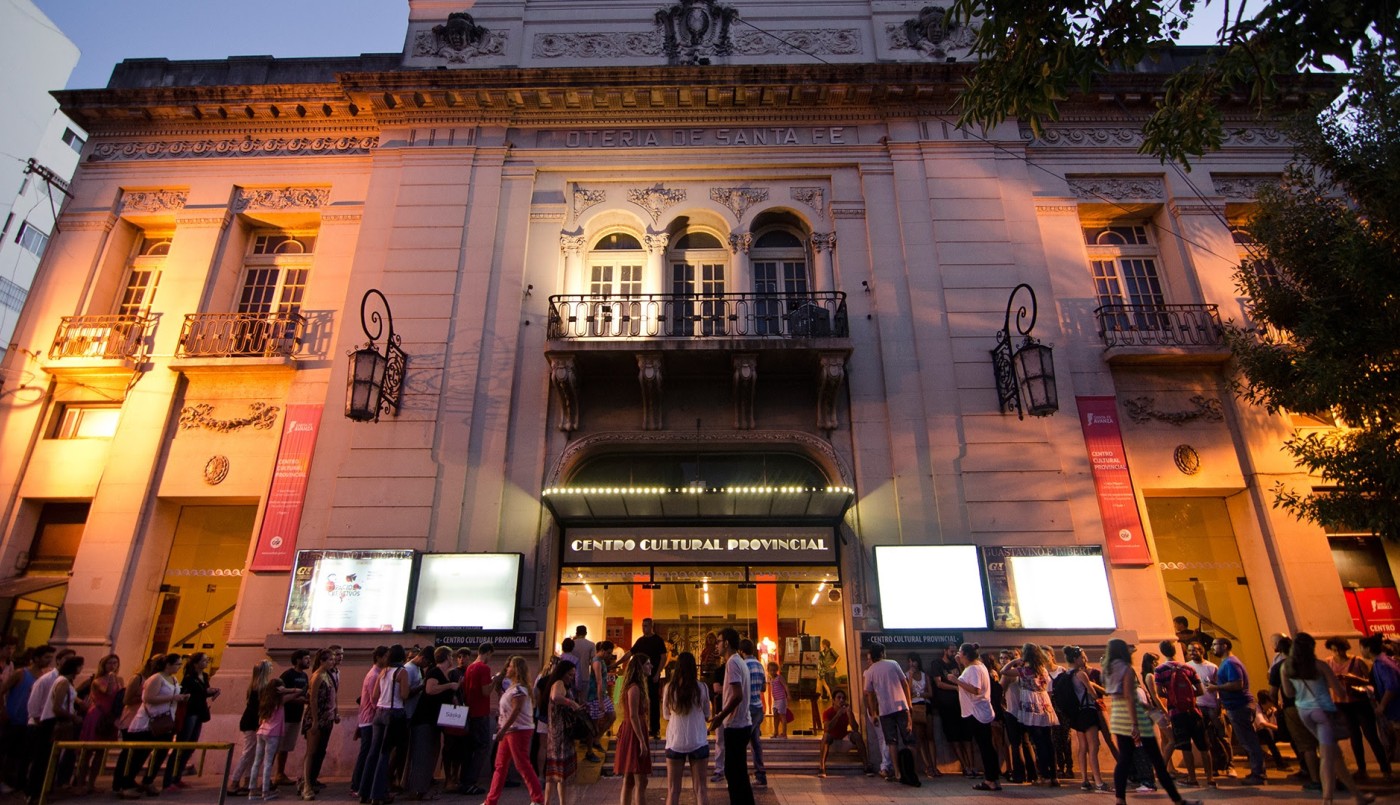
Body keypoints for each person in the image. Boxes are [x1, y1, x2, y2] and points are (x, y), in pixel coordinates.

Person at [1282, 632, 1376, 805]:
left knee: (1336, 756)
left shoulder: (1287, 667)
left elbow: (1288, 693)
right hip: (1323, 712)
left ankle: (1358, 796)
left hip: (1304, 712)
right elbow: (1339, 690)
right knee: (1326, 757)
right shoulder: (1320, 666)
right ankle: (1327, 800)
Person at [1104, 639, 1198, 805]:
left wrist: (1147, 706)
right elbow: (1129, 697)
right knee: (1157, 760)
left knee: (1124, 760)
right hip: (1134, 718)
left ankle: (1120, 799)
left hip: (1118, 718)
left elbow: (1120, 696)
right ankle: (1177, 800)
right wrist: (1135, 723)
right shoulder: (1126, 669)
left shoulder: (1109, 670)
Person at [118, 653, 188, 799]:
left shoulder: (174, 679)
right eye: (177, 664)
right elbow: (148, 698)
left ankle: (148, 780)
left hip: (165, 721)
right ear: (168, 664)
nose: (179, 667)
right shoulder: (156, 678)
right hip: (148, 723)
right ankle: (127, 784)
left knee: (160, 753)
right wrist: (173, 697)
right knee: (139, 755)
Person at [1326, 636, 1391, 780]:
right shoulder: (1329, 662)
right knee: (1354, 737)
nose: (1337, 653)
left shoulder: (1357, 661)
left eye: (1340, 650)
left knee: (1371, 735)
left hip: (1360, 701)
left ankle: (1385, 769)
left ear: (1345, 648)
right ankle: (1362, 769)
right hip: (1341, 703)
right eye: (1334, 650)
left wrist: (1354, 679)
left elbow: (1371, 681)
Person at [483, 656, 544, 805]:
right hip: (510, 730)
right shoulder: (512, 688)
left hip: (518, 730)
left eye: (510, 666)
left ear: (516, 670)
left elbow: (516, 710)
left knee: (522, 763)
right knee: (501, 765)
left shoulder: (518, 689)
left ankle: (538, 799)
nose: (507, 669)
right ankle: (491, 800)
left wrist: (502, 729)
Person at [1153, 640, 1214, 789]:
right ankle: (1210, 779)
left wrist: (1174, 696)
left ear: (1162, 652)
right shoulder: (1188, 668)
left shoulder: (1160, 670)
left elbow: (1159, 692)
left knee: (1185, 747)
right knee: (1204, 747)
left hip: (1176, 713)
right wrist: (1187, 696)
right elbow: (1200, 691)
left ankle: (1192, 778)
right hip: (1194, 711)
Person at [25, 654, 84, 802]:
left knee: (51, 757)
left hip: (55, 722)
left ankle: (43, 788)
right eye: (80, 666)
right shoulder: (62, 682)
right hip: (52, 723)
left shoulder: (65, 681)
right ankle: (34, 791)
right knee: (44, 758)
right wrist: (73, 717)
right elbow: (57, 707)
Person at [1207, 637, 1266, 785]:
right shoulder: (1227, 662)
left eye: (1215, 645)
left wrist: (1216, 688)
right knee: (1247, 740)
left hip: (1239, 705)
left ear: (1225, 646)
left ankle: (1259, 774)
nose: (1212, 648)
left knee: (1249, 741)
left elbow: (1237, 684)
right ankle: (1257, 771)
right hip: (1236, 705)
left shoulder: (1231, 663)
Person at [707, 627, 753, 805]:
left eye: (718, 642)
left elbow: (737, 695)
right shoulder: (739, 662)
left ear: (726, 643)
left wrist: (720, 717)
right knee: (739, 772)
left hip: (736, 725)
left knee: (734, 773)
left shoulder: (733, 663)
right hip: (741, 723)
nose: (716, 646)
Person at [864, 641, 919, 787]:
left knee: (891, 742)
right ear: (882, 653)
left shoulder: (870, 671)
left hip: (885, 710)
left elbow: (869, 694)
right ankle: (912, 771)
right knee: (909, 740)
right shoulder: (893, 664)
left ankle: (898, 773)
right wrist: (909, 703)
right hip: (901, 707)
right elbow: (905, 683)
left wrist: (874, 712)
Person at [362, 644, 411, 805]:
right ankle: (378, 794)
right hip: (394, 712)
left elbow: (375, 695)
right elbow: (404, 694)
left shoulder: (383, 671)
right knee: (385, 753)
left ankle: (364, 791)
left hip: (379, 713)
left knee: (373, 752)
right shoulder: (401, 672)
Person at [1, 645, 54, 793]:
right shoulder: (21, 673)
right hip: (13, 718)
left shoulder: (44, 677)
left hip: (29, 721)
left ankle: (12, 781)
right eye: (46, 657)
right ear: (36, 658)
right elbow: (2, 690)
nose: (49, 660)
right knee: (5, 750)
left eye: (50, 658)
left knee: (19, 754)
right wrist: (3, 709)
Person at [165, 651, 220, 790]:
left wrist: (212, 691)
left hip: (200, 713)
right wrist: (205, 692)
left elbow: (203, 692)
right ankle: (169, 779)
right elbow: (188, 693)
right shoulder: (189, 677)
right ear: (196, 663)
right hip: (190, 713)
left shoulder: (205, 676)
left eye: (207, 660)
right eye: (204, 660)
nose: (207, 662)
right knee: (182, 745)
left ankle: (178, 777)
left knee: (190, 746)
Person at [1009, 642, 1059, 786]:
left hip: (1031, 704)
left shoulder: (1025, 670)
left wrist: (1015, 661)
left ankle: (1044, 775)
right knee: (1048, 741)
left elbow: (1004, 671)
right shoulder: (1042, 669)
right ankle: (1054, 775)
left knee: (1038, 742)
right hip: (1044, 702)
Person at [662, 652, 709, 805]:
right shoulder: (702, 687)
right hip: (698, 739)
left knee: (673, 790)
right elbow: (707, 714)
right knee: (701, 789)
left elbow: (666, 715)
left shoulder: (669, 688)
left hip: (676, 740)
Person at [459, 642, 505, 797]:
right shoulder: (484, 668)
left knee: (470, 749)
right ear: (488, 652)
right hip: (480, 713)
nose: (490, 659)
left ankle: (464, 780)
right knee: (482, 748)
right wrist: (495, 680)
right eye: (491, 655)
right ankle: (471, 782)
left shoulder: (470, 667)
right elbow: (486, 692)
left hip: (470, 712)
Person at [953, 642, 1001, 791]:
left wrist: (956, 681)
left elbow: (975, 689)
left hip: (976, 712)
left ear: (966, 654)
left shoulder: (973, 669)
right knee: (986, 745)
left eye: (960, 652)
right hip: (979, 711)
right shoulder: (977, 667)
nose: (958, 655)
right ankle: (993, 778)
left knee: (985, 746)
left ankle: (990, 780)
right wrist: (960, 666)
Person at [1062, 646, 1108, 791]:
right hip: (1088, 711)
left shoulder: (1066, 674)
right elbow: (1093, 694)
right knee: (1093, 747)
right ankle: (1099, 782)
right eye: (1082, 657)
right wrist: (1093, 686)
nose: (1084, 659)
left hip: (1076, 714)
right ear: (1076, 659)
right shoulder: (1081, 674)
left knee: (1083, 747)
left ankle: (1084, 779)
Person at [76, 653, 123, 794]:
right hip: (97, 716)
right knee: (87, 752)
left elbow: (118, 697)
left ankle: (91, 783)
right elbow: (108, 693)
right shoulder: (98, 680)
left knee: (101, 753)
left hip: (109, 717)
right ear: (104, 665)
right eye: (110, 663)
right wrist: (110, 679)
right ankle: (79, 783)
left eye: (115, 663)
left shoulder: (119, 680)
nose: (113, 666)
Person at [229, 660, 276, 797]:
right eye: (270, 667)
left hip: (250, 721)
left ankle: (248, 782)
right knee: (248, 753)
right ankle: (234, 782)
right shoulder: (263, 688)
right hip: (253, 722)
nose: (272, 668)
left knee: (252, 754)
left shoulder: (253, 687)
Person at [302, 648, 342, 800]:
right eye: (330, 660)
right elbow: (312, 700)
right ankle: (306, 784)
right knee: (311, 752)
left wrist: (335, 712)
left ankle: (311, 781)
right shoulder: (317, 676)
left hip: (328, 718)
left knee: (320, 751)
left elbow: (334, 696)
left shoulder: (329, 675)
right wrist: (315, 721)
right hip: (316, 718)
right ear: (322, 661)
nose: (333, 662)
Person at [1185, 641, 1230, 776]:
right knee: (1206, 737)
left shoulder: (1212, 667)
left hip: (1212, 705)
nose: (1192, 653)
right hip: (1198, 705)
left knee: (1222, 736)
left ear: (1201, 651)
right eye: (1190, 650)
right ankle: (1214, 766)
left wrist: (1220, 704)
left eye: (1195, 650)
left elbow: (1220, 686)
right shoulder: (1187, 667)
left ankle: (1229, 764)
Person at [251, 675, 299, 802]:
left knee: (257, 762)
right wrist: (287, 690)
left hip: (261, 731)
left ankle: (252, 790)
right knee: (268, 763)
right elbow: (299, 692)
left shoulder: (265, 700)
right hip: (273, 733)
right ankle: (265, 791)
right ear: (279, 689)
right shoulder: (280, 700)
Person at [349, 647, 388, 800]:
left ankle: (361, 784)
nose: (387, 659)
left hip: (370, 719)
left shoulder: (378, 674)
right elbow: (374, 700)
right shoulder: (374, 676)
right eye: (385, 656)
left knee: (368, 753)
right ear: (378, 657)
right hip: (370, 719)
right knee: (366, 754)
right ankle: (357, 784)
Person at [544, 659, 583, 805]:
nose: (571, 678)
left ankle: (556, 802)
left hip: (558, 732)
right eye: (569, 675)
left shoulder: (561, 684)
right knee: (559, 771)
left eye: (573, 675)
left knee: (555, 772)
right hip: (559, 733)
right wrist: (571, 703)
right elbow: (555, 697)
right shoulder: (559, 683)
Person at [932, 643, 974, 775]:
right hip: (947, 705)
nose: (954, 654)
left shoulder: (959, 664)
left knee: (967, 737)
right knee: (954, 737)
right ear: (945, 651)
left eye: (956, 651)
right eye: (951, 651)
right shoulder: (937, 664)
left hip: (962, 705)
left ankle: (972, 766)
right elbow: (939, 683)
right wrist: (956, 687)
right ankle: (965, 766)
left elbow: (966, 677)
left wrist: (960, 664)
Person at [617, 653, 652, 805]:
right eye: (648, 664)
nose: (651, 666)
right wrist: (641, 741)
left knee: (630, 778)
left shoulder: (635, 687)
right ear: (640, 667)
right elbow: (633, 715)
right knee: (640, 779)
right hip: (634, 732)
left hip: (634, 730)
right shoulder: (635, 688)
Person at [274, 649, 311, 788]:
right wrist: (299, 698)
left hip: (296, 716)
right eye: (306, 658)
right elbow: (280, 695)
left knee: (286, 746)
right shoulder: (288, 675)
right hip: (285, 715)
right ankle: (272, 775)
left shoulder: (305, 676)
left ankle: (280, 773)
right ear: (298, 660)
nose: (309, 661)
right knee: (277, 745)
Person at [1360, 633, 1400, 762]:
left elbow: (1392, 686)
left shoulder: (1382, 664)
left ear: (1368, 649)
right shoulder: (1383, 661)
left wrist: (1382, 705)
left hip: (1395, 708)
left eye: (1361, 647)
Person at [818, 689, 871, 777]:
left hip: (843, 738)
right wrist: (837, 715)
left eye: (843, 698)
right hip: (832, 740)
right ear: (833, 701)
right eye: (839, 698)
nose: (841, 700)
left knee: (857, 735)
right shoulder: (827, 712)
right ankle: (822, 767)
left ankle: (866, 765)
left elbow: (855, 728)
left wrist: (850, 714)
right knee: (825, 736)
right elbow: (827, 729)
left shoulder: (847, 711)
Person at [629, 618, 667, 739]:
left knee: (654, 701)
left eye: (646, 626)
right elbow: (630, 653)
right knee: (640, 701)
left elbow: (663, 657)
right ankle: (641, 727)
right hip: (641, 676)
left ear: (651, 626)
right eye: (642, 626)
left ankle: (655, 729)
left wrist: (657, 672)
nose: (643, 628)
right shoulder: (640, 641)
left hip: (653, 675)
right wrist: (616, 663)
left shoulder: (658, 640)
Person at [739, 639, 768, 786]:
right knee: (756, 742)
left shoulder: (743, 666)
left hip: (747, 707)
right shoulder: (759, 665)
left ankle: (741, 775)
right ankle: (760, 774)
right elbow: (764, 687)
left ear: (741, 651)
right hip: (758, 707)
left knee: (742, 742)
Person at [905, 654, 937, 776]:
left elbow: (930, 693)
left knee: (930, 736)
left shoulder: (925, 676)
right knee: (920, 737)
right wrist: (911, 678)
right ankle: (928, 766)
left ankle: (934, 765)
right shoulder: (907, 675)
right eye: (910, 661)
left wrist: (920, 694)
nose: (913, 664)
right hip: (915, 707)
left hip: (926, 705)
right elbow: (908, 692)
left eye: (914, 661)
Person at [585, 641, 616, 762]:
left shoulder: (602, 661)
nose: (609, 655)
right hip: (595, 696)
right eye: (608, 653)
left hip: (602, 694)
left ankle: (596, 739)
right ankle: (589, 750)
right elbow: (598, 681)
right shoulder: (597, 662)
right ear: (602, 650)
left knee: (612, 716)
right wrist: (600, 701)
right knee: (593, 724)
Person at [768, 661, 789, 739]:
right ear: (768, 671)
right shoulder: (771, 679)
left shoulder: (779, 677)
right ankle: (775, 732)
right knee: (775, 716)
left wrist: (788, 695)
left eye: (774, 670)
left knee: (782, 716)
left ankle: (784, 733)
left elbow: (785, 686)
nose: (773, 672)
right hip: (776, 700)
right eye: (771, 670)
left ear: (777, 670)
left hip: (781, 699)